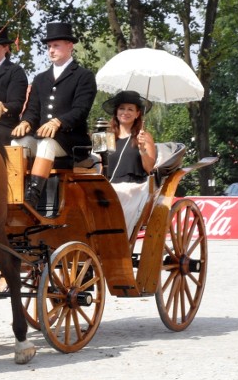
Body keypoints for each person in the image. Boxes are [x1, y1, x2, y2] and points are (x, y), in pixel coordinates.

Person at [11, 22, 96, 208]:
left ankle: (32, 197)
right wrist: (25, 121)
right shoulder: (40, 78)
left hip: (71, 140)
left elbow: (81, 110)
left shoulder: (84, 76)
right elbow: (32, 109)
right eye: (49, 46)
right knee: (18, 143)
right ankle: (13, 194)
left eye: (56, 45)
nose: (51, 50)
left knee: (46, 144)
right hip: (42, 137)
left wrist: (58, 122)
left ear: (70, 46)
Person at [102, 90, 156, 238]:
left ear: (138, 114)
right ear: (116, 111)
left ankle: (118, 244)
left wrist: (142, 150)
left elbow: (149, 168)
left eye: (130, 109)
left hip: (133, 187)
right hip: (107, 185)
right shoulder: (106, 136)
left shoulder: (143, 136)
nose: (125, 112)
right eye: (122, 108)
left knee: (119, 199)